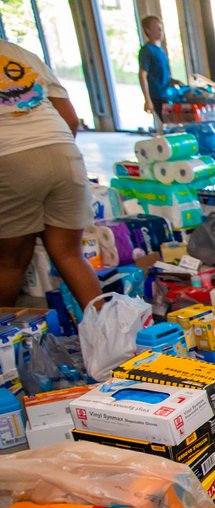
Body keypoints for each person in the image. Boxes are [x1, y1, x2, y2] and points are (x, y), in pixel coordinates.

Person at [0, 41, 101, 311]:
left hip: (10, 157)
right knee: (70, 255)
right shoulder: (20, 54)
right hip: (63, 150)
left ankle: (8, 342)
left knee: (10, 263)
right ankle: (114, 340)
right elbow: (70, 118)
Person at [138, 16, 172, 131]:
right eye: (157, 29)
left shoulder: (160, 50)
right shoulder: (147, 50)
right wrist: (147, 100)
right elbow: (143, 75)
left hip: (167, 93)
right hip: (157, 95)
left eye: (161, 29)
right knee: (167, 124)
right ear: (148, 30)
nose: (161, 32)